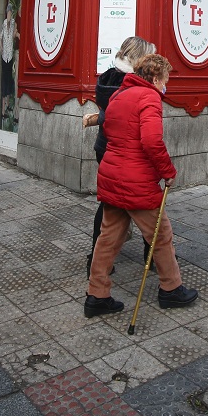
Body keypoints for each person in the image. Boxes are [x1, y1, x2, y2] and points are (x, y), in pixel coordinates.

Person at [85, 54, 198, 317]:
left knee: (108, 238)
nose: (165, 85)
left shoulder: (118, 96)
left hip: (112, 175)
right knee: (161, 235)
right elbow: (151, 141)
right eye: (165, 80)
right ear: (156, 78)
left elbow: (111, 132)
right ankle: (171, 289)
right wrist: (167, 172)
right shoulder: (149, 98)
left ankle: (96, 295)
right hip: (137, 181)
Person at [83, 35, 157, 273]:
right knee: (148, 203)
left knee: (108, 204)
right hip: (131, 152)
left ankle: (96, 260)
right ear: (140, 58)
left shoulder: (108, 77)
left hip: (105, 148)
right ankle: (153, 258)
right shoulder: (134, 84)